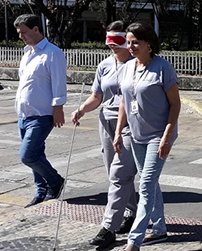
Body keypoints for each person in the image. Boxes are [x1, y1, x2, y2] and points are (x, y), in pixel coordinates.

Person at [70, 21, 137, 247]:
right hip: (106, 122)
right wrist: (81, 110)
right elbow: (97, 96)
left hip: (130, 125)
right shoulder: (104, 65)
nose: (113, 47)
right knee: (114, 173)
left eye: (117, 42)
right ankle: (135, 212)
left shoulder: (138, 64)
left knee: (119, 175)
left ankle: (109, 227)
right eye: (109, 42)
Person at [115, 22, 181, 251]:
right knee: (149, 183)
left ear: (149, 44)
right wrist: (118, 132)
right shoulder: (127, 67)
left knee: (145, 186)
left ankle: (134, 240)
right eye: (129, 42)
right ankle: (160, 229)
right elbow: (124, 101)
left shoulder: (163, 67)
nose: (130, 46)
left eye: (136, 42)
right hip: (136, 135)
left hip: (158, 136)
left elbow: (175, 104)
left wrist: (167, 136)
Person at [14, 14, 67, 208]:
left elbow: (59, 82)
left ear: (36, 29)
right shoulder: (27, 53)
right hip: (24, 113)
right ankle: (41, 190)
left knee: (28, 155)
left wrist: (58, 108)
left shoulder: (52, 53)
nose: (21, 36)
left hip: (42, 114)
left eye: (24, 32)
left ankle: (55, 182)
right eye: (19, 33)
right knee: (37, 154)